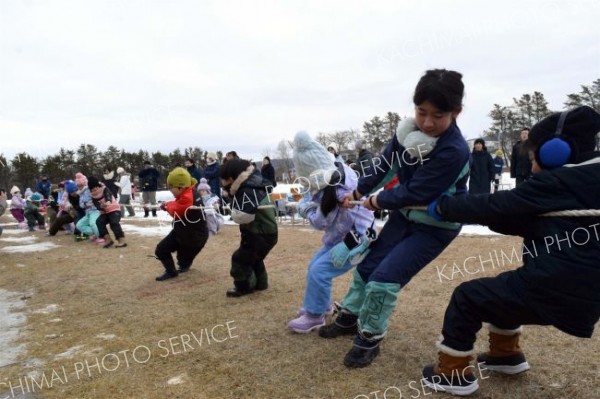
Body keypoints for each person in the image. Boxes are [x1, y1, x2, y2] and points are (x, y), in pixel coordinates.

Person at [422, 105, 600, 396]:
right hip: (588, 292)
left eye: (533, 158)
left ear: (558, 152)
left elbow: (495, 205)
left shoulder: (557, 182)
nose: (531, 167)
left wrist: (444, 207)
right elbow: (534, 221)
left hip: (554, 288)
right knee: (504, 294)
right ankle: (505, 356)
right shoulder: (587, 181)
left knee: (467, 296)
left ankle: (451, 373)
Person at [319, 69, 470, 368]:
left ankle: (369, 338)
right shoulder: (406, 134)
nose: (427, 123)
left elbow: (416, 191)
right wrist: (359, 189)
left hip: (435, 226)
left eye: (438, 115)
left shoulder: (455, 150)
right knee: (369, 266)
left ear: (456, 113)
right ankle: (349, 317)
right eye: (421, 112)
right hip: (404, 217)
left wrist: (374, 200)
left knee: (385, 279)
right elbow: (384, 166)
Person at [287, 131, 374, 333]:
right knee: (314, 266)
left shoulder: (337, 192)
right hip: (343, 237)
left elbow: (321, 221)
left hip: (357, 241)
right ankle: (320, 306)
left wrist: (306, 209)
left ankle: (315, 316)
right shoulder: (338, 172)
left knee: (320, 271)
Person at [220, 158, 278, 297]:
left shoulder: (247, 189)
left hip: (257, 233)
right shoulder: (256, 183)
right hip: (267, 232)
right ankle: (261, 283)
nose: (223, 184)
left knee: (240, 259)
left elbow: (242, 216)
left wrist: (230, 202)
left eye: (225, 180)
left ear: (232, 178)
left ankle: (244, 286)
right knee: (254, 258)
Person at [154, 167, 209, 281]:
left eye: (171, 187)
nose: (170, 190)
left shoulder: (187, 197)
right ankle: (176, 269)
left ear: (181, 186)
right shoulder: (189, 192)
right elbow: (176, 203)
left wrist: (166, 206)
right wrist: (167, 204)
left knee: (163, 251)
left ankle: (175, 270)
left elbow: (176, 210)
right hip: (186, 233)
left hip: (192, 237)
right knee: (163, 250)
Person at [88, 177, 126, 248]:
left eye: (96, 187)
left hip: (114, 209)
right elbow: (97, 205)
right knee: (99, 221)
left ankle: (121, 240)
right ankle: (108, 239)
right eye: (92, 189)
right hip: (105, 212)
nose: (95, 190)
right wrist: (101, 206)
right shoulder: (93, 196)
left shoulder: (105, 189)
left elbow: (108, 196)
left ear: (98, 186)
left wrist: (108, 202)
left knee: (113, 223)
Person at [75, 173, 101, 241]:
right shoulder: (80, 193)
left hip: (95, 210)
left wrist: (92, 203)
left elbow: (96, 197)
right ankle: (94, 233)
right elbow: (81, 205)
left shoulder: (89, 189)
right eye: (78, 185)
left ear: (84, 183)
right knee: (79, 225)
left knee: (93, 223)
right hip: (87, 212)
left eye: (81, 185)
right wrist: (86, 204)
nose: (79, 186)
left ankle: (101, 237)